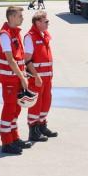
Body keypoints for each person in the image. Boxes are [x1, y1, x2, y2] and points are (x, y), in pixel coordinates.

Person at [0, 6, 33, 155]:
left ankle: (14, 138)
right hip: (10, 79)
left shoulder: (15, 32)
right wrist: (22, 77)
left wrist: (23, 75)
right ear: (11, 18)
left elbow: (19, 59)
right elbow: (10, 60)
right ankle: (6, 142)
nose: (22, 19)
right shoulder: (5, 34)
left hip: (16, 77)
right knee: (9, 109)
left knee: (16, 109)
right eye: (19, 16)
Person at [23, 11, 58, 141]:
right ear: (38, 23)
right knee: (35, 105)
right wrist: (36, 76)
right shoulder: (30, 37)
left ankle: (42, 125)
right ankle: (33, 130)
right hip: (37, 79)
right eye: (46, 21)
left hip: (47, 78)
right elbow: (27, 59)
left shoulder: (44, 35)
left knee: (46, 102)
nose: (48, 23)